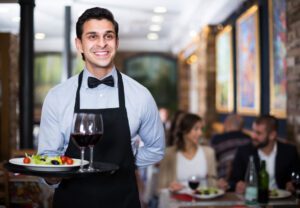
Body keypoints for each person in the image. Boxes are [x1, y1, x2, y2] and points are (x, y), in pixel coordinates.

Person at [37, 7, 165, 208]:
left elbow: (156, 149)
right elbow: (48, 155)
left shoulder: (141, 95)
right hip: (72, 201)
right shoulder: (57, 96)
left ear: (117, 42)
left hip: (123, 201)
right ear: (79, 44)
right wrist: (52, 176)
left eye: (108, 36)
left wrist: (126, 164)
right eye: (92, 36)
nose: (102, 43)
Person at [229, 115, 300, 193]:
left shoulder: (289, 151)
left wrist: (292, 185)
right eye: (253, 131)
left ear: (272, 135)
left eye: (258, 133)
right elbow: (232, 181)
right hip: (253, 200)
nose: (253, 136)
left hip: (281, 201)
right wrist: (238, 185)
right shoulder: (244, 151)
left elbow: (296, 178)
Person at [158, 113, 219, 192]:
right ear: (184, 131)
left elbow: (213, 184)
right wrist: (170, 188)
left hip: (202, 202)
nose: (200, 133)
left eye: (201, 129)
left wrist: (219, 184)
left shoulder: (209, 153)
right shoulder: (169, 154)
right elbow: (160, 188)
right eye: (196, 129)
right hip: (178, 202)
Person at [210, 114, 251, 180]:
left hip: (223, 180)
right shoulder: (248, 140)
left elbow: (210, 160)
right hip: (245, 181)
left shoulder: (218, 139)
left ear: (227, 123)